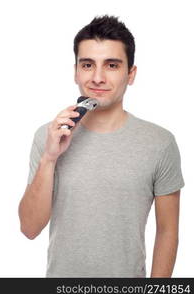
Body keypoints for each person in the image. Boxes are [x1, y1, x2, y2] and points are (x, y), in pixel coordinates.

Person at [18, 15, 185, 278]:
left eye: (112, 65)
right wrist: (49, 158)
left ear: (131, 74)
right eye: (87, 65)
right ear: (75, 71)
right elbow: (29, 228)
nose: (97, 77)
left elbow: (167, 232)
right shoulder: (47, 136)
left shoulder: (160, 143)